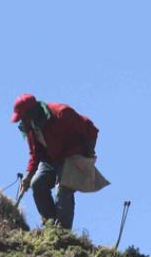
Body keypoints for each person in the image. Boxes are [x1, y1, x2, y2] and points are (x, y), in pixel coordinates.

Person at [11, 94, 99, 229]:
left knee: (63, 189)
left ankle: (63, 233)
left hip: (72, 156)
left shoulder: (61, 113)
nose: (22, 121)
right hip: (51, 158)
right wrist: (28, 175)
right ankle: (51, 227)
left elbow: (90, 129)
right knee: (37, 184)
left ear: (32, 112)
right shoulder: (31, 128)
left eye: (24, 117)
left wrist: (88, 155)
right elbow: (36, 154)